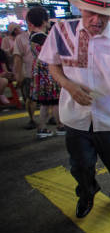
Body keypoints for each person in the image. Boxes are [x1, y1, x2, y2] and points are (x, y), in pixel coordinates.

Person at [40, 0, 110, 218]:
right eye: (91, 14)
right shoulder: (62, 32)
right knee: (80, 165)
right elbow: (53, 65)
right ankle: (87, 193)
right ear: (80, 10)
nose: (97, 20)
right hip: (76, 116)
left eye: (103, 16)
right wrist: (68, 85)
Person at [27, 7, 64, 139]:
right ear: (44, 21)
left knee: (45, 103)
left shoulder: (33, 35)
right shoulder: (41, 37)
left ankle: (42, 128)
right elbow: (55, 53)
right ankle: (60, 126)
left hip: (40, 72)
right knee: (55, 101)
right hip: (48, 72)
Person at [13, 21, 36, 129]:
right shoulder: (21, 38)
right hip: (28, 73)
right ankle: (32, 119)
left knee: (50, 98)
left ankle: (52, 118)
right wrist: (19, 75)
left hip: (46, 73)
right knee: (30, 98)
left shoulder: (48, 35)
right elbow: (17, 58)